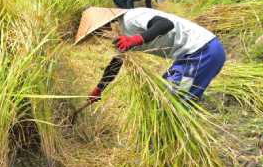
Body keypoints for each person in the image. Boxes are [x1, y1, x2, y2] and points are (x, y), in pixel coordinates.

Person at [75, 7, 226, 103]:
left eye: (99, 32)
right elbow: (115, 64)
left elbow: (165, 24)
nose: (101, 36)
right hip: (190, 57)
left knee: (172, 100)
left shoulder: (131, 17)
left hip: (202, 52)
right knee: (171, 95)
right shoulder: (120, 36)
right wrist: (99, 89)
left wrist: (137, 39)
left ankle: (168, 143)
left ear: (106, 24)